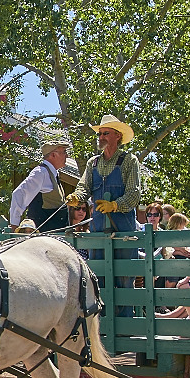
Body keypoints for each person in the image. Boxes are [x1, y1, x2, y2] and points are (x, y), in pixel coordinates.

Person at [68, 115, 141, 317]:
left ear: (117, 136)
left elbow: (134, 194)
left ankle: (126, 327)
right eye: (99, 133)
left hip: (124, 232)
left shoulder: (129, 161)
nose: (100, 137)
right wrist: (76, 197)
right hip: (99, 232)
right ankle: (101, 327)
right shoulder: (93, 163)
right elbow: (84, 187)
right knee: (98, 278)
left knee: (125, 279)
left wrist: (115, 205)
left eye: (105, 133)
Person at [9, 140, 71, 232]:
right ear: (53, 155)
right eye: (64, 152)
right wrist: (14, 226)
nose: (67, 156)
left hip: (53, 236)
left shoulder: (53, 173)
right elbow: (19, 194)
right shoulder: (41, 172)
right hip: (41, 237)